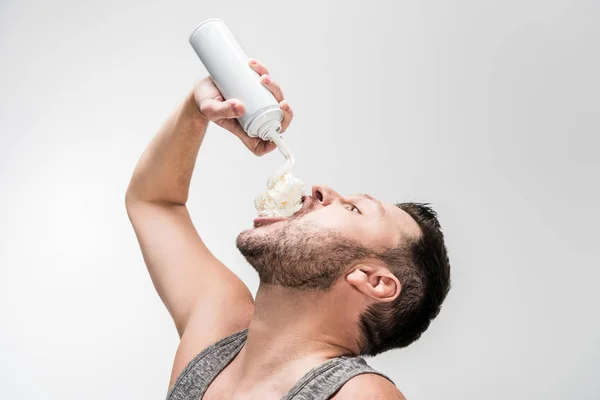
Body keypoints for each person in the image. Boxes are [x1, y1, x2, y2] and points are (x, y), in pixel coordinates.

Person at [125, 58, 451, 400]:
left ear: (374, 280)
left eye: (354, 209)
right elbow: (154, 201)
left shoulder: (361, 394)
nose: (322, 190)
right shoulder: (216, 330)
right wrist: (198, 108)